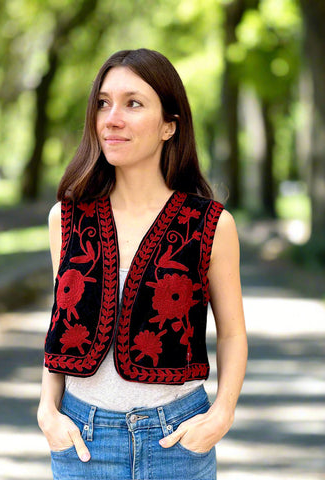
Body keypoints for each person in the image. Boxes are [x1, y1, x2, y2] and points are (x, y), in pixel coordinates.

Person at [37, 48, 247, 480]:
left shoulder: (210, 225)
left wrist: (221, 414)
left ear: (170, 125)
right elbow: (61, 322)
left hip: (178, 441)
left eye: (133, 103)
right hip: (81, 441)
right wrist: (47, 411)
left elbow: (232, 332)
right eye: (103, 103)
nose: (111, 118)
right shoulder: (67, 218)